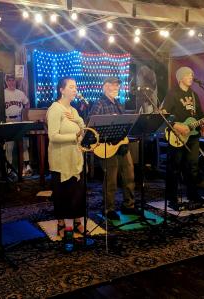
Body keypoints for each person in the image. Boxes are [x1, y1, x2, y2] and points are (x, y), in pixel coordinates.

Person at [88, 76, 136, 220]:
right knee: (111, 180)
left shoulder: (119, 104)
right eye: (113, 85)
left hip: (122, 145)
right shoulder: (99, 104)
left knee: (129, 177)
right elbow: (92, 125)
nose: (116, 88)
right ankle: (108, 209)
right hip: (107, 147)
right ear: (105, 87)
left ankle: (129, 206)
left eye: (118, 86)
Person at [162, 66, 204, 211]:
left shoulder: (194, 95)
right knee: (174, 168)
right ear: (180, 77)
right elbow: (164, 114)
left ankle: (193, 195)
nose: (191, 77)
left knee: (192, 167)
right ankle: (172, 198)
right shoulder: (172, 94)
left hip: (193, 136)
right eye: (188, 74)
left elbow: (199, 114)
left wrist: (203, 120)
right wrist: (175, 125)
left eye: (192, 74)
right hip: (177, 135)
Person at [46, 77, 85, 238]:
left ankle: (77, 221)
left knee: (77, 192)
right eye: (71, 87)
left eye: (75, 87)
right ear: (61, 90)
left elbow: (83, 129)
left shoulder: (74, 110)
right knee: (62, 194)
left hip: (75, 158)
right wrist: (75, 137)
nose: (75, 90)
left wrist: (78, 125)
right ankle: (61, 223)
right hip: (60, 160)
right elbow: (53, 136)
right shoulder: (55, 109)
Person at [4, 74, 32, 177]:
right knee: (9, 146)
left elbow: (27, 103)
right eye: (9, 81)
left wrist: (25, 114)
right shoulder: (3, 93)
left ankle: (27, 166)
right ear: (6, 82)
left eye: (13, 80)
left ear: (15, 82)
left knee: (24, 144)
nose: (11, 82)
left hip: (19, 119)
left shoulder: (20, 93)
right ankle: (9, 169)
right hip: (8, 120)